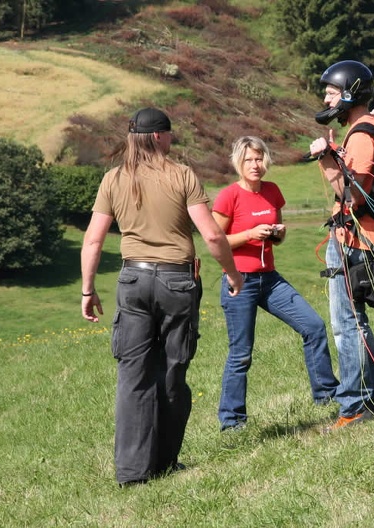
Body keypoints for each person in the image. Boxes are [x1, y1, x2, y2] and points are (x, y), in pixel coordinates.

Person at [81, 107, 244, 487]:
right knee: (172, 373)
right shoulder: (182, 174)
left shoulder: (114, 179)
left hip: (133, 282)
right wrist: (233, 274)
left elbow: (93, 239)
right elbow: (214, 236)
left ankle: (133, 473)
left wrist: (88, 289)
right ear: (157, 137)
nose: (172, 140)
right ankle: (166, 462)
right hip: (177, 283)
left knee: (133, 377)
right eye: (169, 134)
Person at [211, 136, 339, 432]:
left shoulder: (272, 191)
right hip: (238, 280)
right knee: (241, 353)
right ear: (238, 164)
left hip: (269, 278)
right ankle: (232, 422)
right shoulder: (229, 196)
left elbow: (279, 237)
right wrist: (251, 234)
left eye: (259, 159)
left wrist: (277, 233)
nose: (255, 165)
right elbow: (216, 240)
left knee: (314, 327)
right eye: (248, 160)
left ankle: (327, 395)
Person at [308, 60, 374, 432]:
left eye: (329, 90)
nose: (325, 97)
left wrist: (325, 155)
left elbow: (353, 194)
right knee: (357, 324)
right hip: (359, 238)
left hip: (354, 241)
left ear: (348, 92)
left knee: (347, 326)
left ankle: (354, 407)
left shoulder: (360, 134)